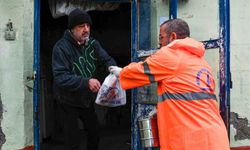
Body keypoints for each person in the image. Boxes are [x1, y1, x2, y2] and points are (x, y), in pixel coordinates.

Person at [109, 19, 230, 150]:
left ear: (172, 36)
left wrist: (121, 73)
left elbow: (141, 71)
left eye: (161, 37)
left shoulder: (170, 54)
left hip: (191, 140)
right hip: (215, 138)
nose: (159, 42)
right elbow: (187, 95)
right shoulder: (201, 62)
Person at [52, 8, 116, 150]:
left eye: (88, 26)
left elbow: (107, 59)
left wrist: (113, 70)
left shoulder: (93, 44)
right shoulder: (61, 48)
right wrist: (86, 82)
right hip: (66, 100)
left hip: (85, 99)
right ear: (72, 29)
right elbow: (61, 77)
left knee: (94, 132)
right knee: (72, 139)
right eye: (81, 26)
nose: (86, 29)